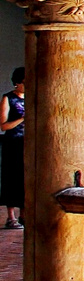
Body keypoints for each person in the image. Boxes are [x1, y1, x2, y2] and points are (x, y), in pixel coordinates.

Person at [1, 67, 23, 229]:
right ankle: (11, 217)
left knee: (25, 179)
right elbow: (4, 126)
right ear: (17, 83)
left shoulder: (32, 98)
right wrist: (22, 118)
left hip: (28, 144)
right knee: (11, 177)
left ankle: (24, 215)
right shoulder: (8, 98)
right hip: (13, 143)